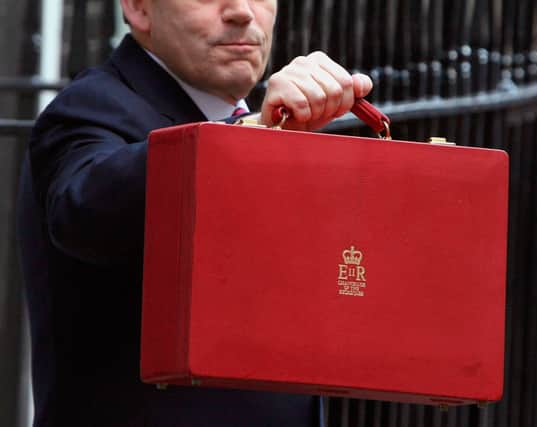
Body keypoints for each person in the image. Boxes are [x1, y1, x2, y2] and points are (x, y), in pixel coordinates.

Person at [16, 0, 373, 426]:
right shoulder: (87, 109)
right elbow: (84, 212)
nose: (242, 11)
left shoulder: (255, 122)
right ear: (139, 8)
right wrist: (249, 138)